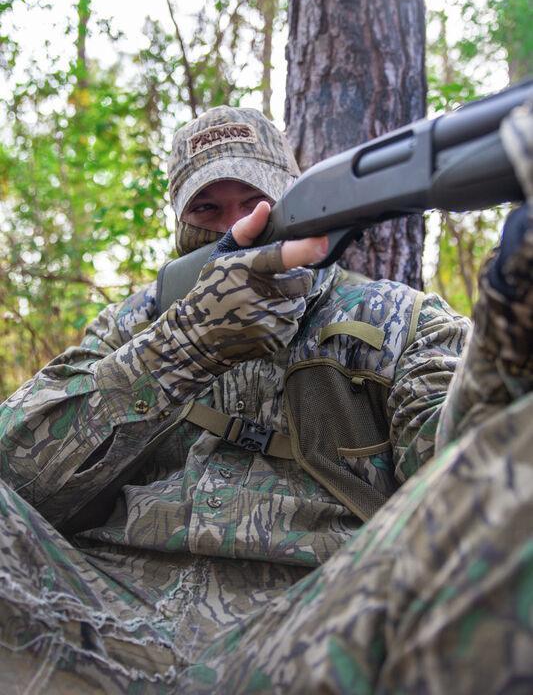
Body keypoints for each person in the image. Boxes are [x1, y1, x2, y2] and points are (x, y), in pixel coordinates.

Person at [0, 106, 470, 692]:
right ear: (179, 225)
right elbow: (16, 472)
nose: (238, 225)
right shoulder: (135, 325)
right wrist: (180, 345)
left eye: (255, 202)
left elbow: (475, 481)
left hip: (317, 629)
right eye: (206, 209)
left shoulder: (406, 322)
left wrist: (508, 352)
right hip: (103, 618)